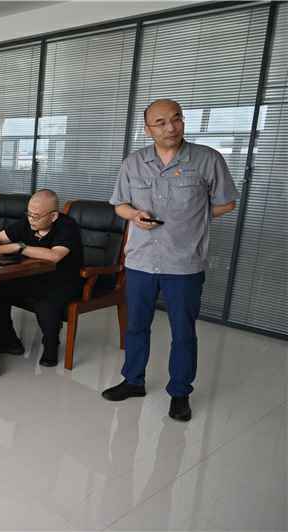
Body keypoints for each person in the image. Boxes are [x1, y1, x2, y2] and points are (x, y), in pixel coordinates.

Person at [102, 99, 239, 422]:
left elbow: (227, 203)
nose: (171, 127)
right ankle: (133, 380)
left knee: (183, 331)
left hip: (184, 262)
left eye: (176, 119)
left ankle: (180, 392)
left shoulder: (207, 159)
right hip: (140, 261)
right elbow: (119, 205)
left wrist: (194, 217)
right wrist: (134, 215)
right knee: (136, 326)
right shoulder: (133, 163)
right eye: (161, 122)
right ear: (148, 129)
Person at [0, 189, 83, 367]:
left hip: (63, 281)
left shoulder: (67, 226)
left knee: (44, 300)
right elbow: (0, 237)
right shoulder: (28, 222)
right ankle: (8, 341)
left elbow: (54, 256)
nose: (31, 219)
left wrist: (19, 247)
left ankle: (51, 346)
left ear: (53, 216)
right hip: (32, 276)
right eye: (28, 214)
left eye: (36, 216)